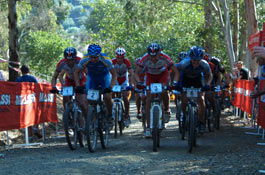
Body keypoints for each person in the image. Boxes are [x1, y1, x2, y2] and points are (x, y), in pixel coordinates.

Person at [134, 43, 178, 137]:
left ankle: (166, 109)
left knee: (163, 91)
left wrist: (174, 83)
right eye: (151, 56)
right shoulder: (144, 58)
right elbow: (136, 73)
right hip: (150, 76)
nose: (153, 58)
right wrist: (139, 83)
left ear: (160, 53)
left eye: (156, 56)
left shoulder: (165, 57)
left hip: (162, 75)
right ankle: (148, 127)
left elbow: (176, 71)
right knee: (148, 97)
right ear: (148, 54)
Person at [74, 44, 117, 125]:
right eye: (91, 57)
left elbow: (114, 75)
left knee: (107, 96)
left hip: (104, 77)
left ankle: (110, 115)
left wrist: (111, 87)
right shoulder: (84, 59)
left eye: (96, 57)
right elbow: (76, 72)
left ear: (99, 55)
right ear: (89, 55)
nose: (93, 59)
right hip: (92, 78)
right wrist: (78, 85)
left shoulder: (106, 59)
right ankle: (93, 116)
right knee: (90, 99)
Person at [176, 46, 213, 134]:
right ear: (190, 58)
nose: (196, 62)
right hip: (186, 79)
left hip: (198, 79)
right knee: (184, 100)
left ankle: (201, 122)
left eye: (198, 60)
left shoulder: (204, 64)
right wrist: (175, 83)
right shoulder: (184, 63)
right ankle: (184, 117)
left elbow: (209, 75)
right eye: (194, 60)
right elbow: (175, 71)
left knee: (201, 99)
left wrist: (207, 85)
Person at [16, 65, 42, 140]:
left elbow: (15, 88)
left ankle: (30, 137)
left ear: (21, 71)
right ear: (29, 71)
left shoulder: (19, 79)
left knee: (27, 118)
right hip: (33, 100)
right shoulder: (33, 78)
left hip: (23, 101)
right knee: (36, 114)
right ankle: (36, 128)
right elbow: (38, 88)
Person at [112, 47, 134, 127]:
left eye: (121, 58)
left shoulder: (127, 61)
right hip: (116, 79)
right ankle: (111, 114)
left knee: (125, 97)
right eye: (118, 58)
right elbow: (108, 74)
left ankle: (127, 116)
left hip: (124, 79)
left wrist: (131, 84)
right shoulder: (112, 62)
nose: (120, 60)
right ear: (116, 56)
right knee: (111, 94)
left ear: (124, 57)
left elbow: (131, 73)